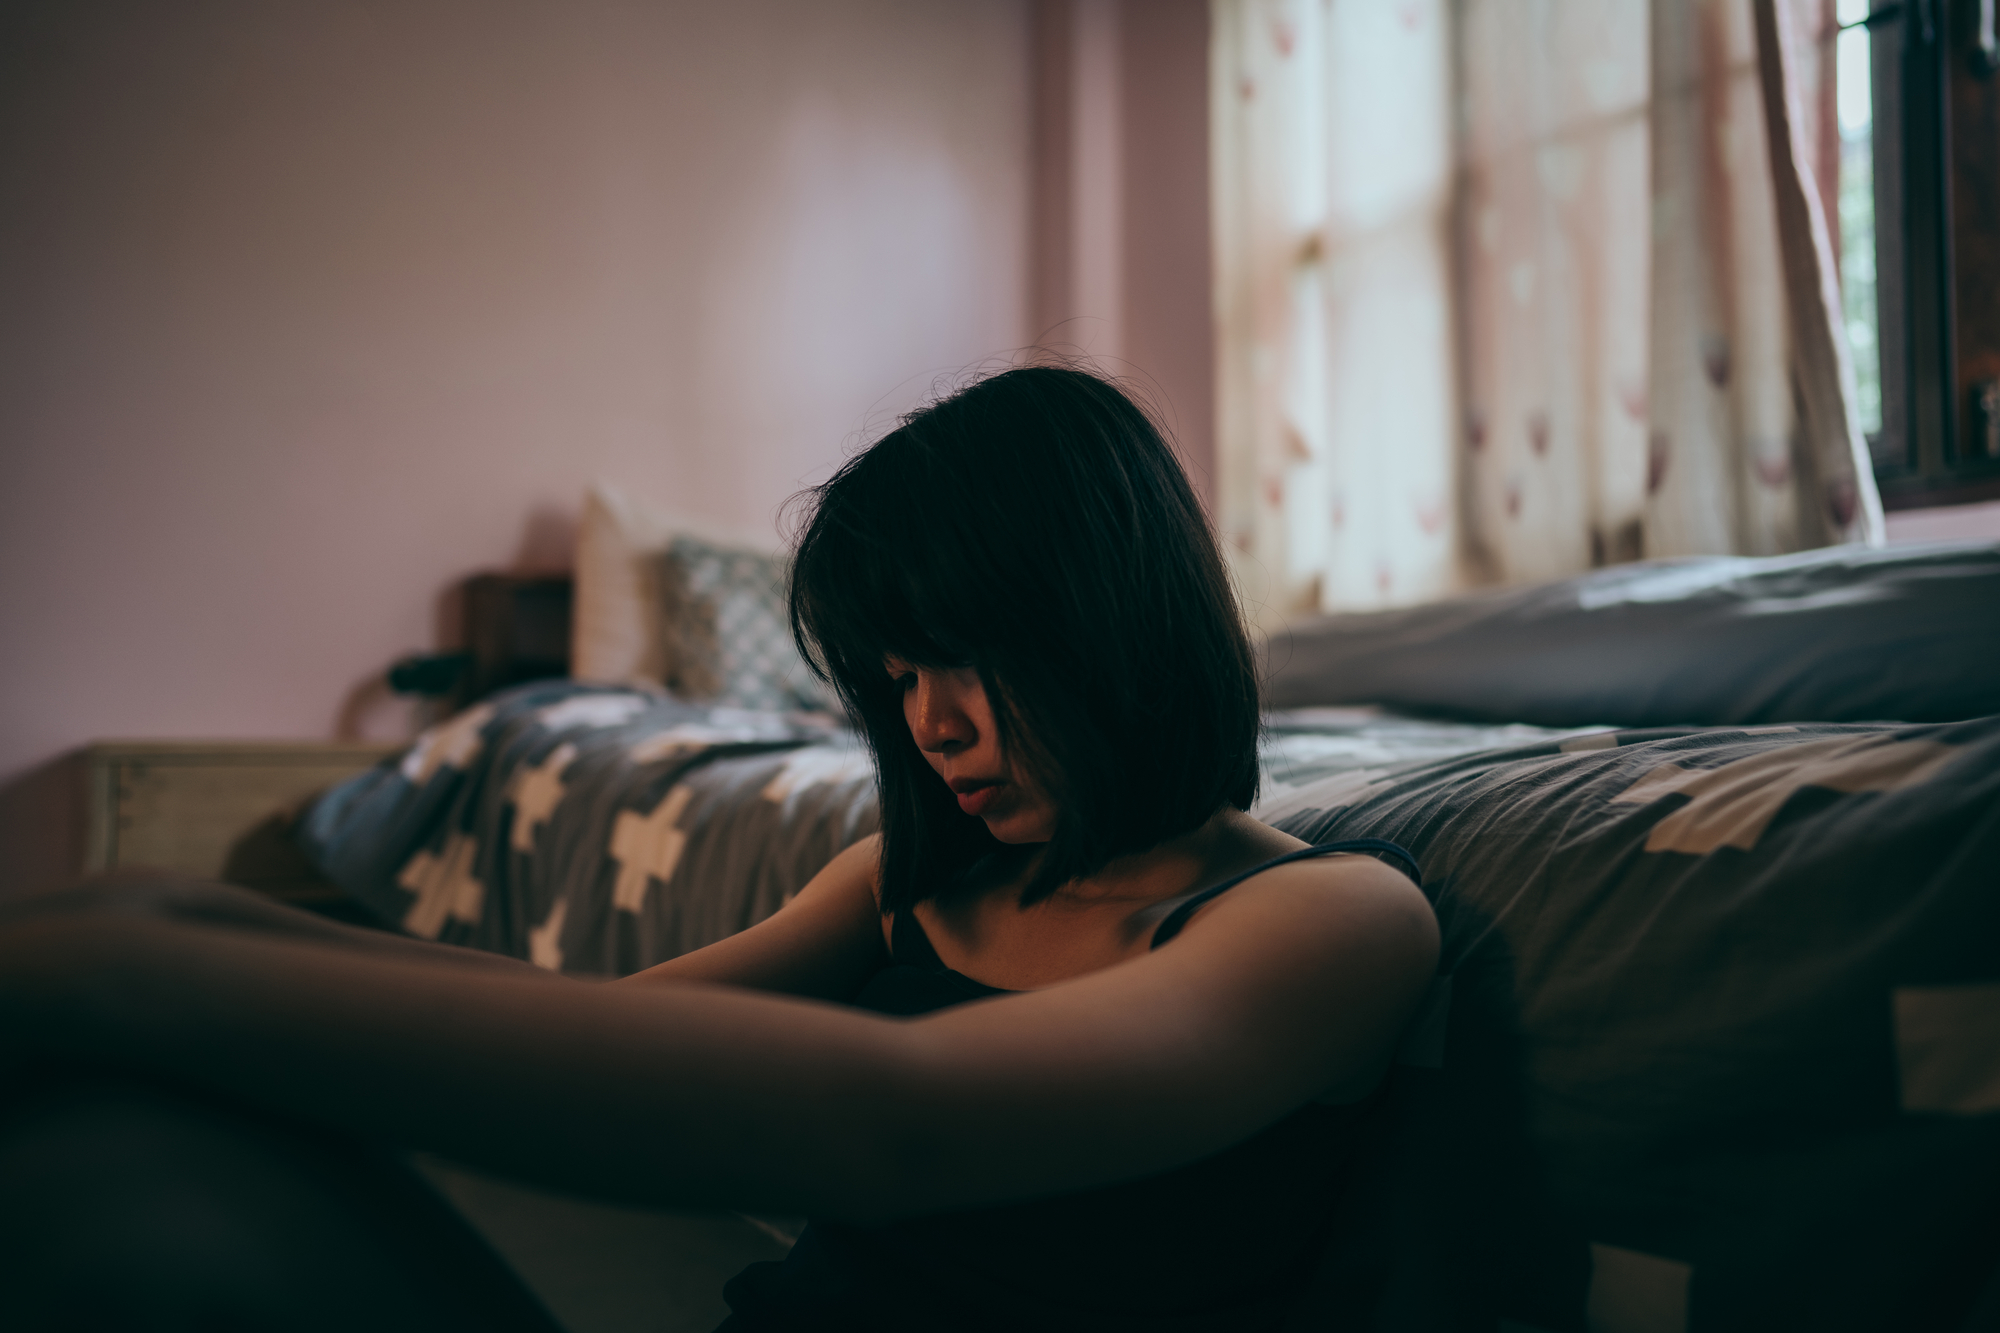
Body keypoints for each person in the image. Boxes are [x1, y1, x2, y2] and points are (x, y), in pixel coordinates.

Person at [0, 366, 1438, 1331]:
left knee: (129, 1213)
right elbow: (590, 1034)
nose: (930, 725)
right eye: (896, 680)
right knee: (111, 1156)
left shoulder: (1328, 919)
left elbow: (898, 1119)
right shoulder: (916, 881)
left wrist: (145, 977)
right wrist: (188, 921)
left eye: (966, 661)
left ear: (1109, 622)